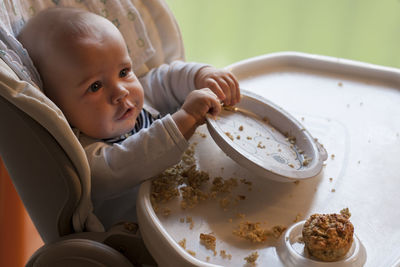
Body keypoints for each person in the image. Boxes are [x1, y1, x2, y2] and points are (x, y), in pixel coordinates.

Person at [17, 7, 240, 228]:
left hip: (202, 208)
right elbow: (132, 159)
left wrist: (201, 76)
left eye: (124, 72)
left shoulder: (140, 97)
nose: (121, 91)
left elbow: (167, 78)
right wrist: (187, 117)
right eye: (95, 86)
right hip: (150, 238)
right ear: (57, 106)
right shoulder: (87, 157)